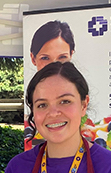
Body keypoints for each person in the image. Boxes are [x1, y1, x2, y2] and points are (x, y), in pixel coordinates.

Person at [25, 20, 76, 150]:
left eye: (62, 58)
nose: (54, 65)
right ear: (32, 58)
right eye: (45, 58)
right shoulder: (21, 166)